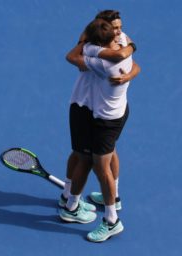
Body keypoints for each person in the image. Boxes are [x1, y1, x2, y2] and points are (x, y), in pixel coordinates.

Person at [65, 18, 140, 242]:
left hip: (103, 120)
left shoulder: (102, 62)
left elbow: (73, 58)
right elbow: (135, 64)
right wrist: (129, 71)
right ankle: (113, 198)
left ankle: (110, 221)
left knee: (98, 167)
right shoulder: (124, 42)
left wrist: (83, 40)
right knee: (108, 153)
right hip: (119, 113)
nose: (118, 31)